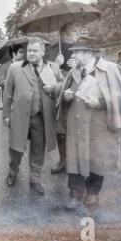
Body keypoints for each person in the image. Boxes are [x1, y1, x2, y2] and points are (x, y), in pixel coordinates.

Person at [57, 38, 121, 210]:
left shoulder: (111, 70)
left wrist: (100, 102)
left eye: (79, 51)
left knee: (97, 158)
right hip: (76, 123)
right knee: (75, 157)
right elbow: (65, 93)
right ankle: (75, 193)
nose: (75, 54)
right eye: (75, 51)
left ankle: (93, 192)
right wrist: (67, 96)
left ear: (91, 53)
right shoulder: (73, 72)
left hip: (99, 124)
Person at [3, 38, 64, 195]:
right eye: (29, 50)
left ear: (43, 52)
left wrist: (54, 87)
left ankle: (35, 179)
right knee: (16, 148)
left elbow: (63, 84)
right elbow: (8, 93)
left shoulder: (53, 68)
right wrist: (6, 115)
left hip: (42, 116)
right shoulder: (15, 68)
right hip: (19, 115)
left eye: (34, 51)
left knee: (38, 149)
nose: (30, 53)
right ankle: (12, 172)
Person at [46, 23, 81, 175]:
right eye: (74, 32)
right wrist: (55, 64)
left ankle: (76, 162)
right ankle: (63, 161)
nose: (77, 35)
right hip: (57, 97)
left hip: (76, 97)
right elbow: (45, 75)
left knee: (76, 130)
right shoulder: (52, 50)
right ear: (64, 34)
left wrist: (78, 66)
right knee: (60, 131)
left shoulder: (81, 51)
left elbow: (91, 75)